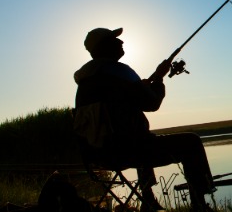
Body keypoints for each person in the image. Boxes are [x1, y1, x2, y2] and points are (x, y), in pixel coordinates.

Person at [73, 27, 215, 212]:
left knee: (140, 135)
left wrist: (144, 84)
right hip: (128, 151)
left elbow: (119, 104)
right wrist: (159, 79)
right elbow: (152, 103)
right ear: (104, 46)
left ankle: (148, 199)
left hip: (98, 155)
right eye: (115, 40)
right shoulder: (119, 72)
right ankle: (199, 205)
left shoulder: (85, 82)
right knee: (191, 142)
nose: (121, 42)